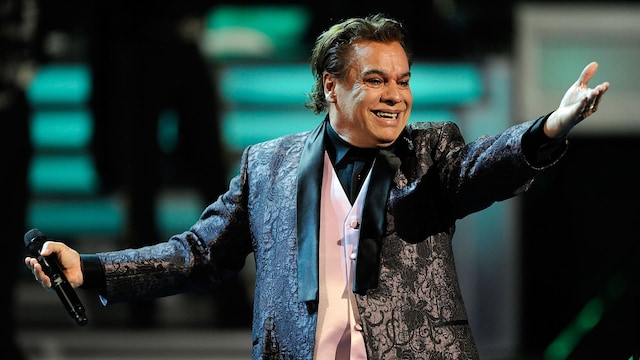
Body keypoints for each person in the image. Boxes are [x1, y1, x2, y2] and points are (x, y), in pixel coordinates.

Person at [25, 13, 609, 359]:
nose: (395, 95)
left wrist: (550, 128)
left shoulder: (433, 149)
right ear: (332, 86)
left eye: (403, 81)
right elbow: (201, 254)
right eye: (375, 79)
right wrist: (92, 269)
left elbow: (481, 170)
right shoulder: (269, 166)